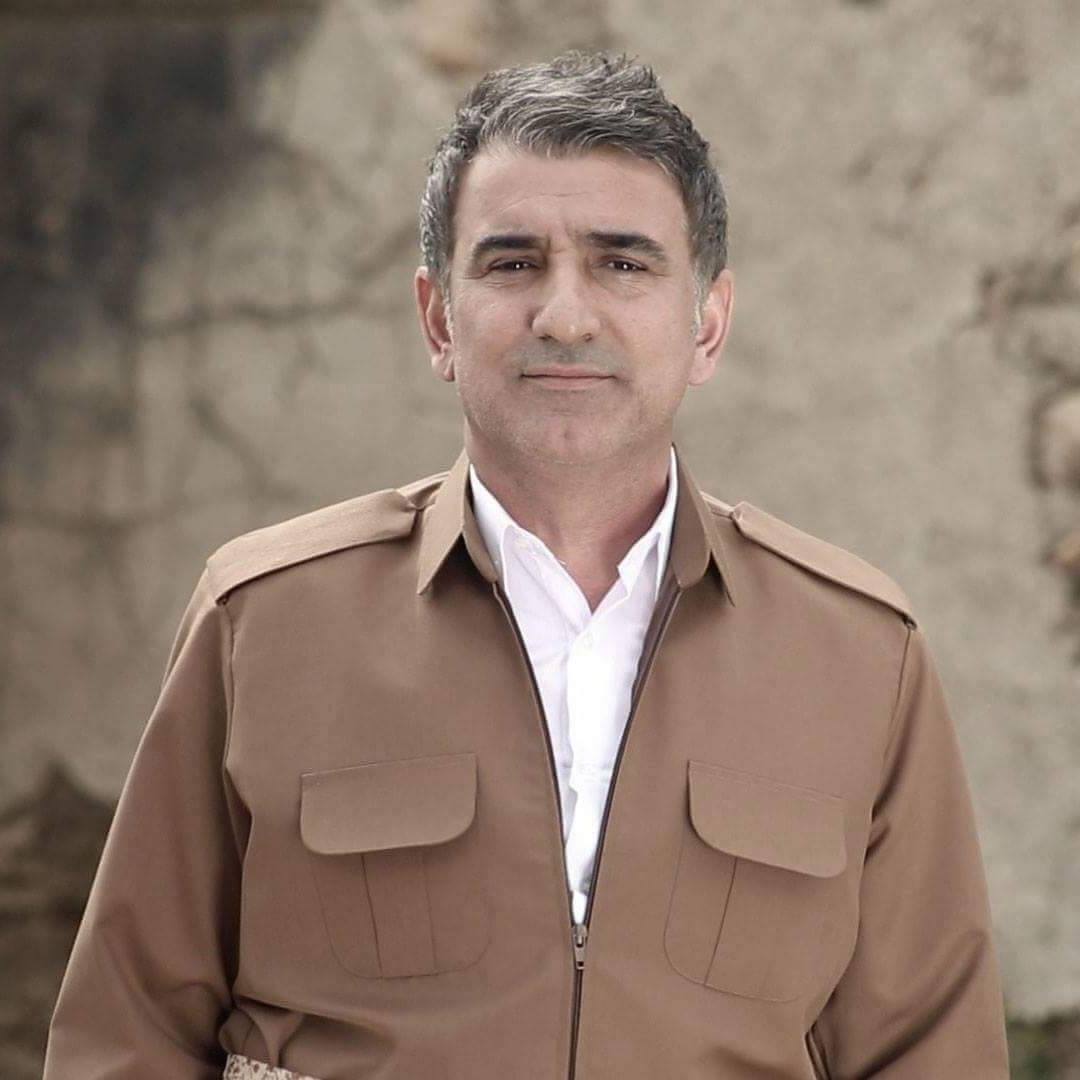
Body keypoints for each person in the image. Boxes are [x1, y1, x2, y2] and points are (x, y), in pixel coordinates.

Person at [44, 50, 1010, 1079]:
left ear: (707, 325)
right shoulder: (266, 622)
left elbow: (931, 1056)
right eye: (512, 264)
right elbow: (126, 1035)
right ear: (438, 318)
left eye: (623, 264)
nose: (564, 315)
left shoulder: (858, 656)